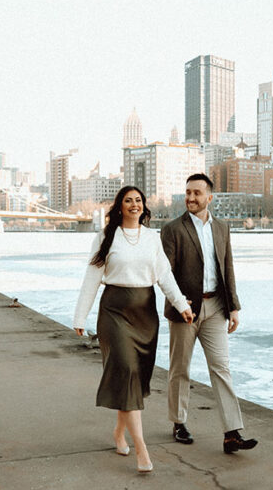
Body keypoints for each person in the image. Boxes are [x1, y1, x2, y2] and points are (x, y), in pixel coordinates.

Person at [73, 186, 195, 474]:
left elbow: (164, 275)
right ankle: (141, 448)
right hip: (114, 312)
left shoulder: (152, 238)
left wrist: (181, 305)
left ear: (144, 206)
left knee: (134, 380)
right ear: (119, 206)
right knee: (126, 371)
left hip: (145, 313)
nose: (134, 205)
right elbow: (92, 277)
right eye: (128, 201)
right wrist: (80, 316)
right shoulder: (105, 236)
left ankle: (119, 432)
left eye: (138, 200)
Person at [161, 173, 258, 454]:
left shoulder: (222, 228)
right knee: (180, 368)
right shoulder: (172, 230)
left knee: (221, 368)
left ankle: (232, 433)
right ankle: (179, 423)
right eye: (188, 192)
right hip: (185, 310)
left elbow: (227, 269)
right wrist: (180, 303)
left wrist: (234, 307)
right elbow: (164, 274)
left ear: (209, 198)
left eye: (197, 193)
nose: (191, 198)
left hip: (216, 307)